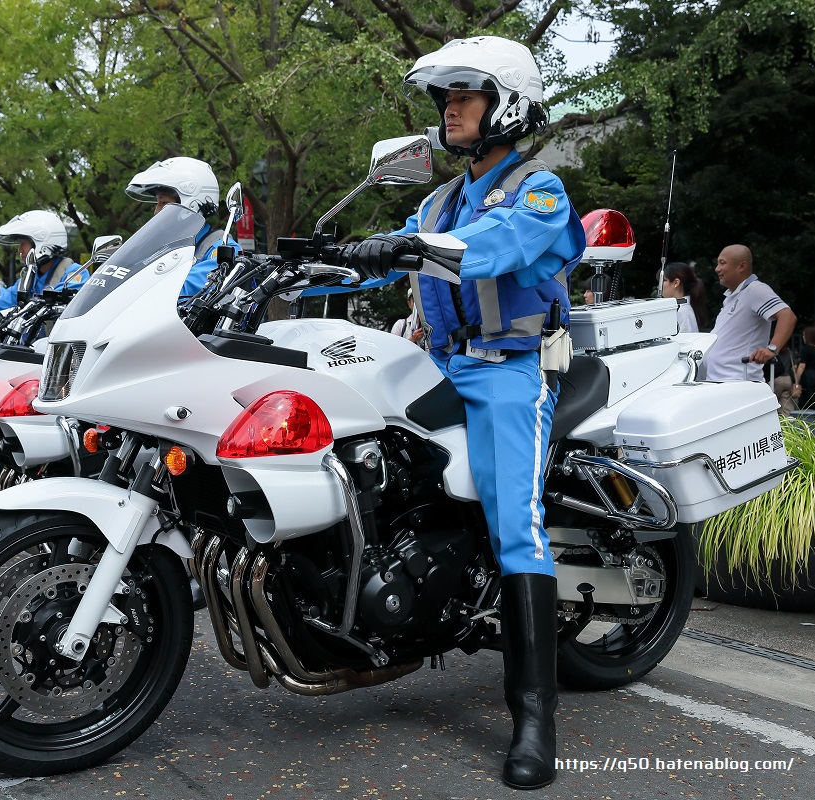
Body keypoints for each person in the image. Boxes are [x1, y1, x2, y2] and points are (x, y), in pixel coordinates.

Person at [345, 35, 585, 790]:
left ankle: (535, 717)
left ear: (505, 104)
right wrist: (293, 263)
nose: (450, 108)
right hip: (439, 365)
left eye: (465, 96)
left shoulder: (539, 191)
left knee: (517, 521)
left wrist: (406, 246)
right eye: (445, 97)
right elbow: (402, 258)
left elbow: (487, 248)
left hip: (511, 372)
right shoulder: (434, 200)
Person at [125, 156, 240, 297]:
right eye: (157, 203)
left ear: (190, 203)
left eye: (164, 203)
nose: (156, 211)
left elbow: (184, 288)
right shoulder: (164, 248)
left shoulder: (223, 249)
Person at [702, 245, 797, 382]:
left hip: (739, 382)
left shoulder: (755, 290)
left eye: (722, 263)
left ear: (742, 266)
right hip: (722, 382)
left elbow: (787, 316)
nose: (717, 269)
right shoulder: (733, 296)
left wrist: (772, 348)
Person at [0, 211, 87, 313]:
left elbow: (55, 304)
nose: (19, 250)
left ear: (41, 242)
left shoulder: (75, 273)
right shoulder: (28, 280)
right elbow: (0, 302)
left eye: (23, 243)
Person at [659, 261, 708, 333]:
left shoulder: (683, 311)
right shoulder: (679, 308)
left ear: (676, 283)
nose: (660, 285)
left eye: (664, 280)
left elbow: (685, 342)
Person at [795, 325, 815, 410]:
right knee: (814, 401)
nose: (803, 337)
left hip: (807, 378)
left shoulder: (806, 349)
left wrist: (797, 381)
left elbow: (802, 366)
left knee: (804, 403)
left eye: (804, 335)